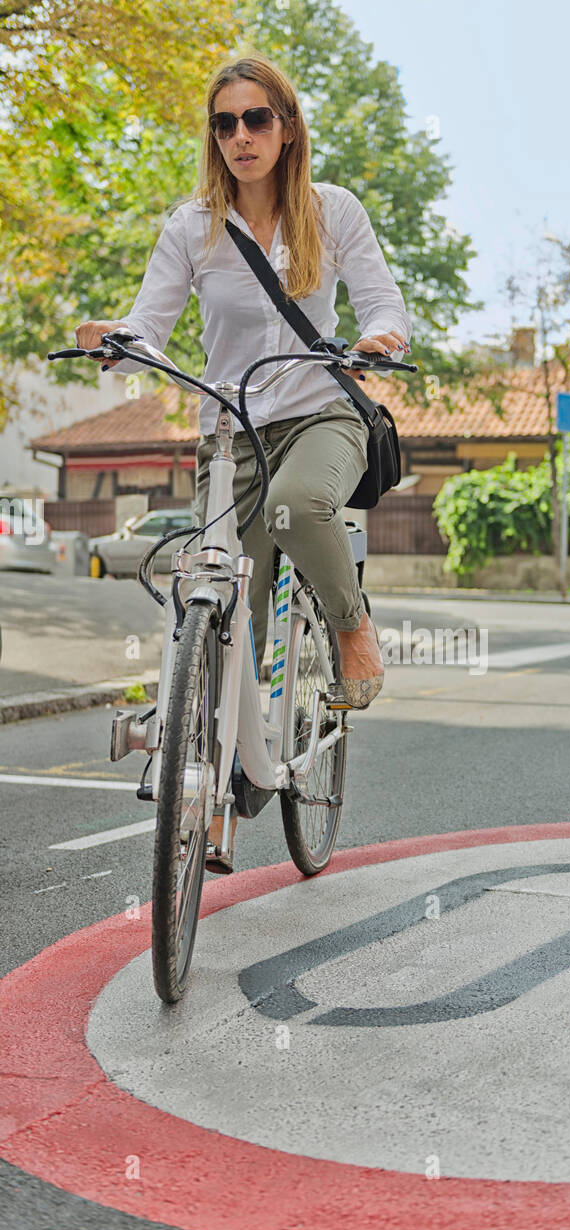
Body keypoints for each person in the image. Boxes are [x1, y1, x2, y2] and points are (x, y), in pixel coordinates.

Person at [75, 55, 412, 872]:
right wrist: (117, 341)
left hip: (319, 411)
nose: (239, 136)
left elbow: (383, 305)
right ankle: (220, 792)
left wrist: (379, 341)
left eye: (255, 119)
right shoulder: (191, 226)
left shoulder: (332, 213)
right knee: (229, 611)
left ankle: (351, 628)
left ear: (286, 127)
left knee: (301, 508)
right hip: (230, 433)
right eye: (223, 123)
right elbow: (152, 323)